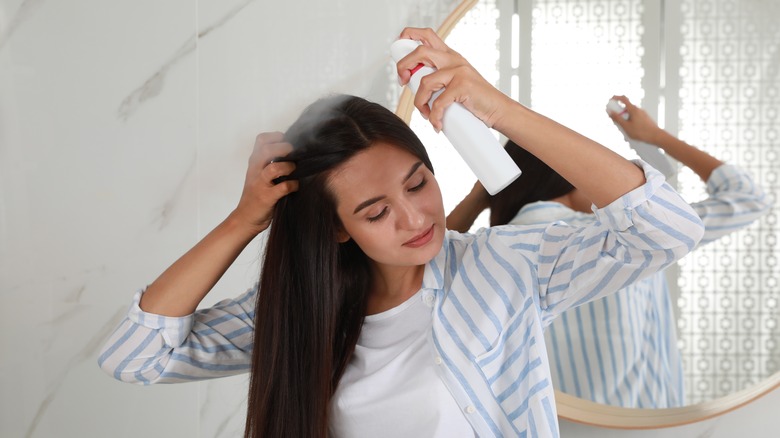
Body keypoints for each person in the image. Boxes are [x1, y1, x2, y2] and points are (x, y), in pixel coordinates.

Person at [98, 28, 705, 437]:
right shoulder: (297, 310)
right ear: (335, 229)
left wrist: (497, 108)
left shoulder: (502, 268)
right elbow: (136, 356)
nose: (416, 218)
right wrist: (247, 217)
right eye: (374, 211)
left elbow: (668, 230)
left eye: (418, 184)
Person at [447, 95, 771, 408]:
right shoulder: (640, 229)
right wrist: (654, 136)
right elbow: (747, 199)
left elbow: (429, 267)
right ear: (570, 172)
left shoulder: (493, 250)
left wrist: (483, 192)